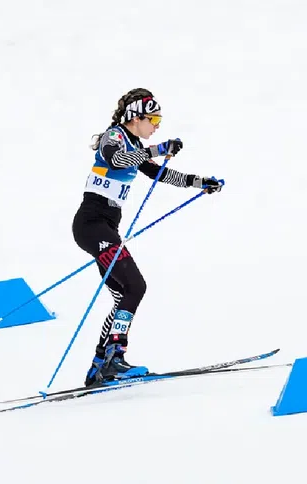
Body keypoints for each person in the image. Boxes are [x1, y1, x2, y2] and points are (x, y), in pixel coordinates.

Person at [72, 88, 223, 387]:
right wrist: (158, 148)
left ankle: (99, 366)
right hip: (92, 226)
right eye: (153, 120)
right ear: (135, 117)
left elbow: (159, 173)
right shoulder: (114, 137)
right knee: (135, 286)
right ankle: (115, 358)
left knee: (122, 294)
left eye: (158, 121)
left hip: (106, 228)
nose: (156, 126)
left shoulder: (135, 145)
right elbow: (117, 160)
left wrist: (199, 182)